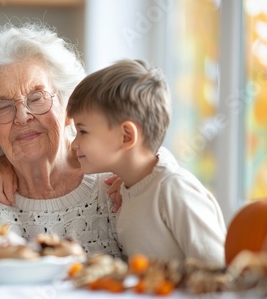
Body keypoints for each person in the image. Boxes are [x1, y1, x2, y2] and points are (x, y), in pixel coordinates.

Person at [0, 23, 122, 257]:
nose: (22, 116)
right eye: (3, 106)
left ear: (69, 108)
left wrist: (154, 166)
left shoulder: (116, 185)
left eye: (37, 98)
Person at [66, 59, 227, 265]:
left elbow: (219, 271)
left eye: (83, 132)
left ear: (126, 136)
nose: (75, 143)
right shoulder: (126, 191)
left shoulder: (174, 189)